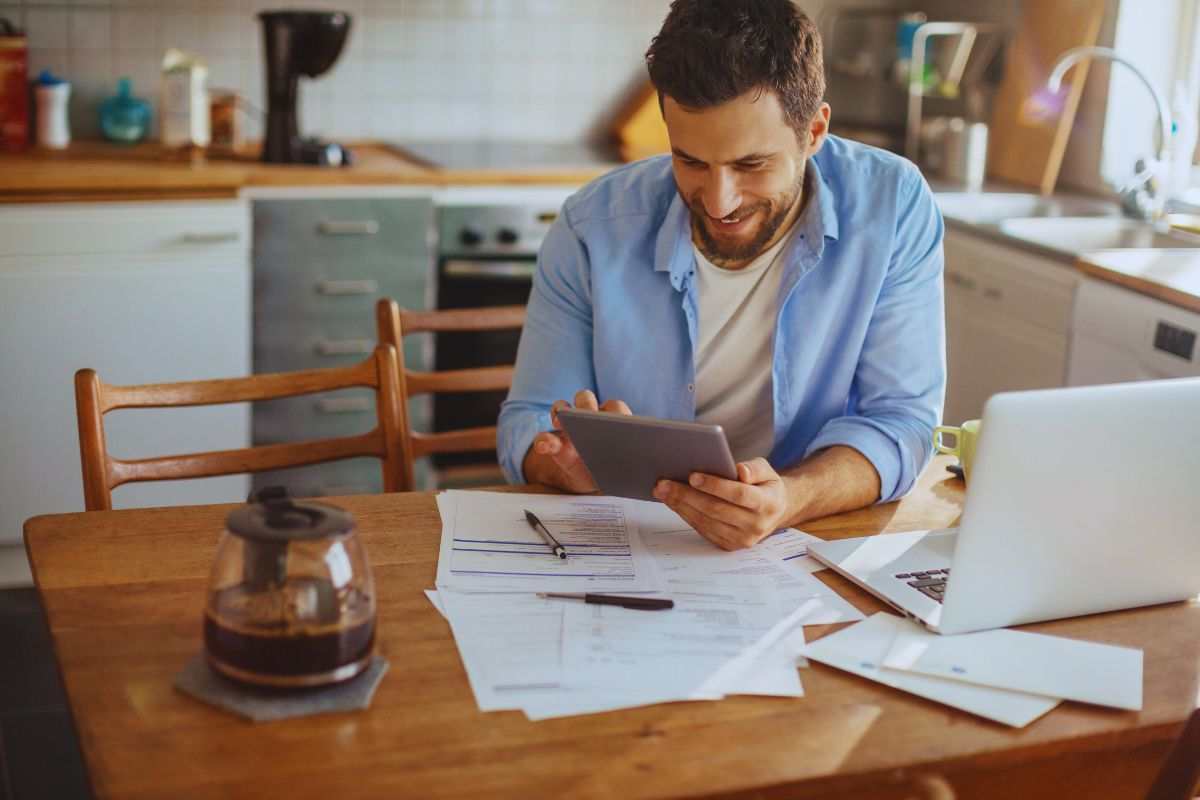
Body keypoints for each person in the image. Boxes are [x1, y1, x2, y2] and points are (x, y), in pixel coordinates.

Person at [497, 0, 945, 550]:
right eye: (690, 161)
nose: (718, 201)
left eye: (750, 165)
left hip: (809, 540)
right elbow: (527, 422)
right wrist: (562, 464)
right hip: (636, 538)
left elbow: (903, 422)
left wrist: (791, 498)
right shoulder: (592, 226)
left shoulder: (892, 205)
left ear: (814, 131)